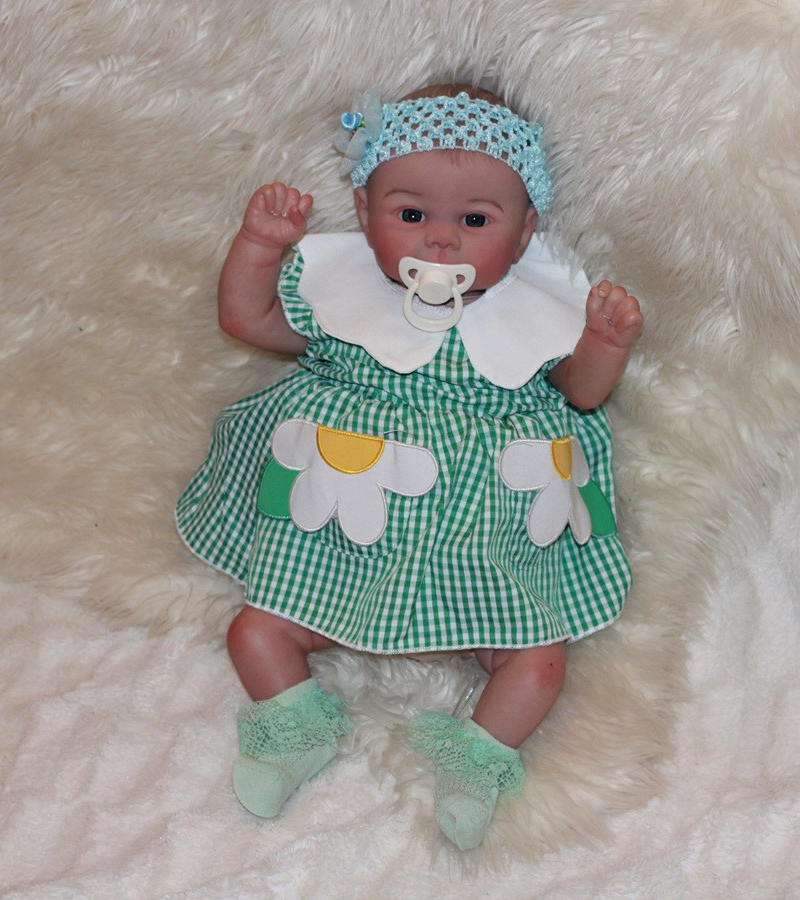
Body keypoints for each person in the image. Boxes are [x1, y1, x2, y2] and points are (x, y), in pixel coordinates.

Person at [176, 84, 643, 850]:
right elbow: (248, 320)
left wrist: (604, 345)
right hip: (341, 544)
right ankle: (295, 728)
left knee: (539, 664)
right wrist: (260, 245)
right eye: (411, 213)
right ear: (364, 213)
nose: (441, 241)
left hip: (481, 556)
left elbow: (582, 396)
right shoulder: (343, 298)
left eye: (476, 221)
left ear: (525, 233)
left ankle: (477, 763)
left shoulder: (537, 311)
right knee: (255, 630)